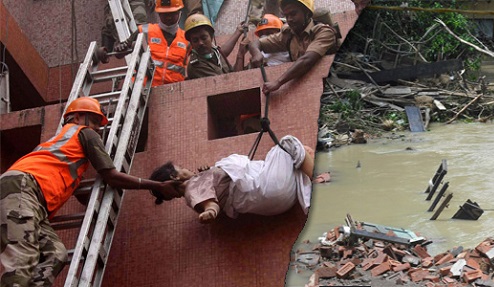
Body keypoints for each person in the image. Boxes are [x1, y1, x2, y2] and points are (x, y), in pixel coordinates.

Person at [0, 97, 182, 286]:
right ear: (78, 117)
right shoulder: (84, 133)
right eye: (95, 122)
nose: (98, 129)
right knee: (23, 260)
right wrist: (157, 185)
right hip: (21, 189)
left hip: (29, 198)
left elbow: (83, 196)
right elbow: (111, 175)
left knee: (56, 254)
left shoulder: (68, 152)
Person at [148, 136, 329, 223]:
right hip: (266, 188)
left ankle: (314, 192)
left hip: (276, 202)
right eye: (181, 168)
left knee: (300, 156)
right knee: (287, 143)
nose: (186, 168)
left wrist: (210, 172)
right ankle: (318, 182)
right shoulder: (193, 189)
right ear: (175, 176)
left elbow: (213, 193)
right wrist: (209, 212)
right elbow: (210, 204)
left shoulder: (199, 184)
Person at [250, 0, 339, 96]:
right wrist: (256, 53)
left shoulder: (324, 32)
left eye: (293, 14)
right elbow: (256, 43)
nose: (290, 19)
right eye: (286, 16)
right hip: (304, 90)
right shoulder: (288, 35)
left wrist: (278, 82)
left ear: (307, 13)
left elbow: (307, 60)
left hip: (332, 89)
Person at [113, 0, 190, 86]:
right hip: (144, 91)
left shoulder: (187, 39)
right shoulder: (145, 31)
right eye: (165, 14)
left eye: (172, 13)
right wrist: (119, 48)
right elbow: (120, 52)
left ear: (180, 13)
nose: (168, 17)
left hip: (174, 92)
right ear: (158, 13)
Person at [184, 13, 249, 79]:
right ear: (191, 43)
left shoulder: (213, 52)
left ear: (211, 37)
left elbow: (223, 52)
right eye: (195, 40)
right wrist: (240, 54)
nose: (200, 43)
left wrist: (238, 32)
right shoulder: (196, 66)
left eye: (204, 38)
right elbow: (232, 84)